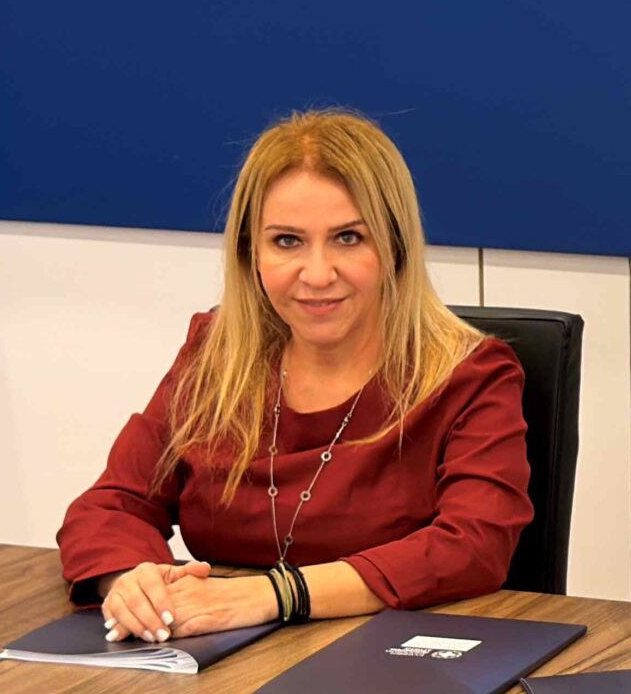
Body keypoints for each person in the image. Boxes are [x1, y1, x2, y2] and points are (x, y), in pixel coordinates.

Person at [58, 110, 533, 640]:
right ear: (251, 252)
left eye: (349, 238)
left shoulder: (470, 375)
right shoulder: (213, 356)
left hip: (389, 663)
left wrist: (274, 595)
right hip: (215, 655)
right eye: (287, 241)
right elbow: (110, 507)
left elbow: (473, 546)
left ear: (395, 246)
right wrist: (133, 585)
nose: (318, 274)